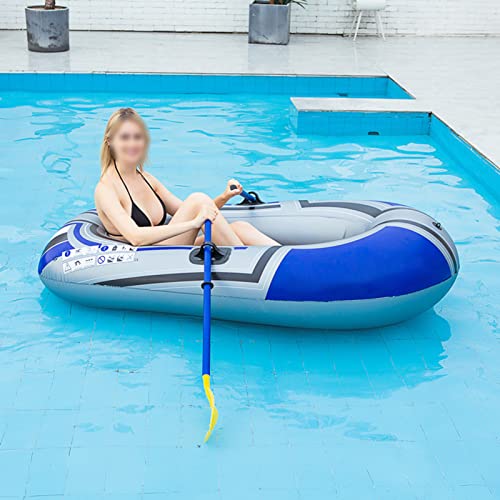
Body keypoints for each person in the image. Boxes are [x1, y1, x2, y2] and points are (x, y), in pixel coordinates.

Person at [95, 108, 279, 247]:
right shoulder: (106, 189)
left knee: (240, 227)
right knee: (197, 199)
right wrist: (193, 224)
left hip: (166, 249)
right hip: (145, 259)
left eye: (137, 137)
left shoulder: (146, 179)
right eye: (125, 137)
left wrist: (224, 197)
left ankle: (287, 259)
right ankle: (243, 264)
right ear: (109, 141)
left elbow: (192, 211)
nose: (132, 143)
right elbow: (135, 237)